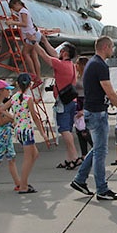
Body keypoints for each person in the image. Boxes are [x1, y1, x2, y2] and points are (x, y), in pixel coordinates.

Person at [70, 36, 117, 200]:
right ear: (106, 47)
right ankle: (102, 189)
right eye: (112, 47)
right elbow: (110, 92)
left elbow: (111, 92)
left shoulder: (93, 63)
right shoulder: (100, 65)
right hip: (96, 113)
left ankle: (80, 180)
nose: (113, 50)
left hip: (92, 111)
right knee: (101, 152)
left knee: (97, 149)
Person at [36, 36, 81, 169]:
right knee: (68, 130)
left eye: (62, 51)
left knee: (64, 130)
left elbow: (45, 56)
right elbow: (53, 54)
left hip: (63, 102)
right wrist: (44, 41)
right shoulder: (71, 66)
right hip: (71, 101)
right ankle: (69, 158)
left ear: (65, 53)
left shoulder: (60, 65)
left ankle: (74, 157)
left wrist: (34, 43)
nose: (59, 52)